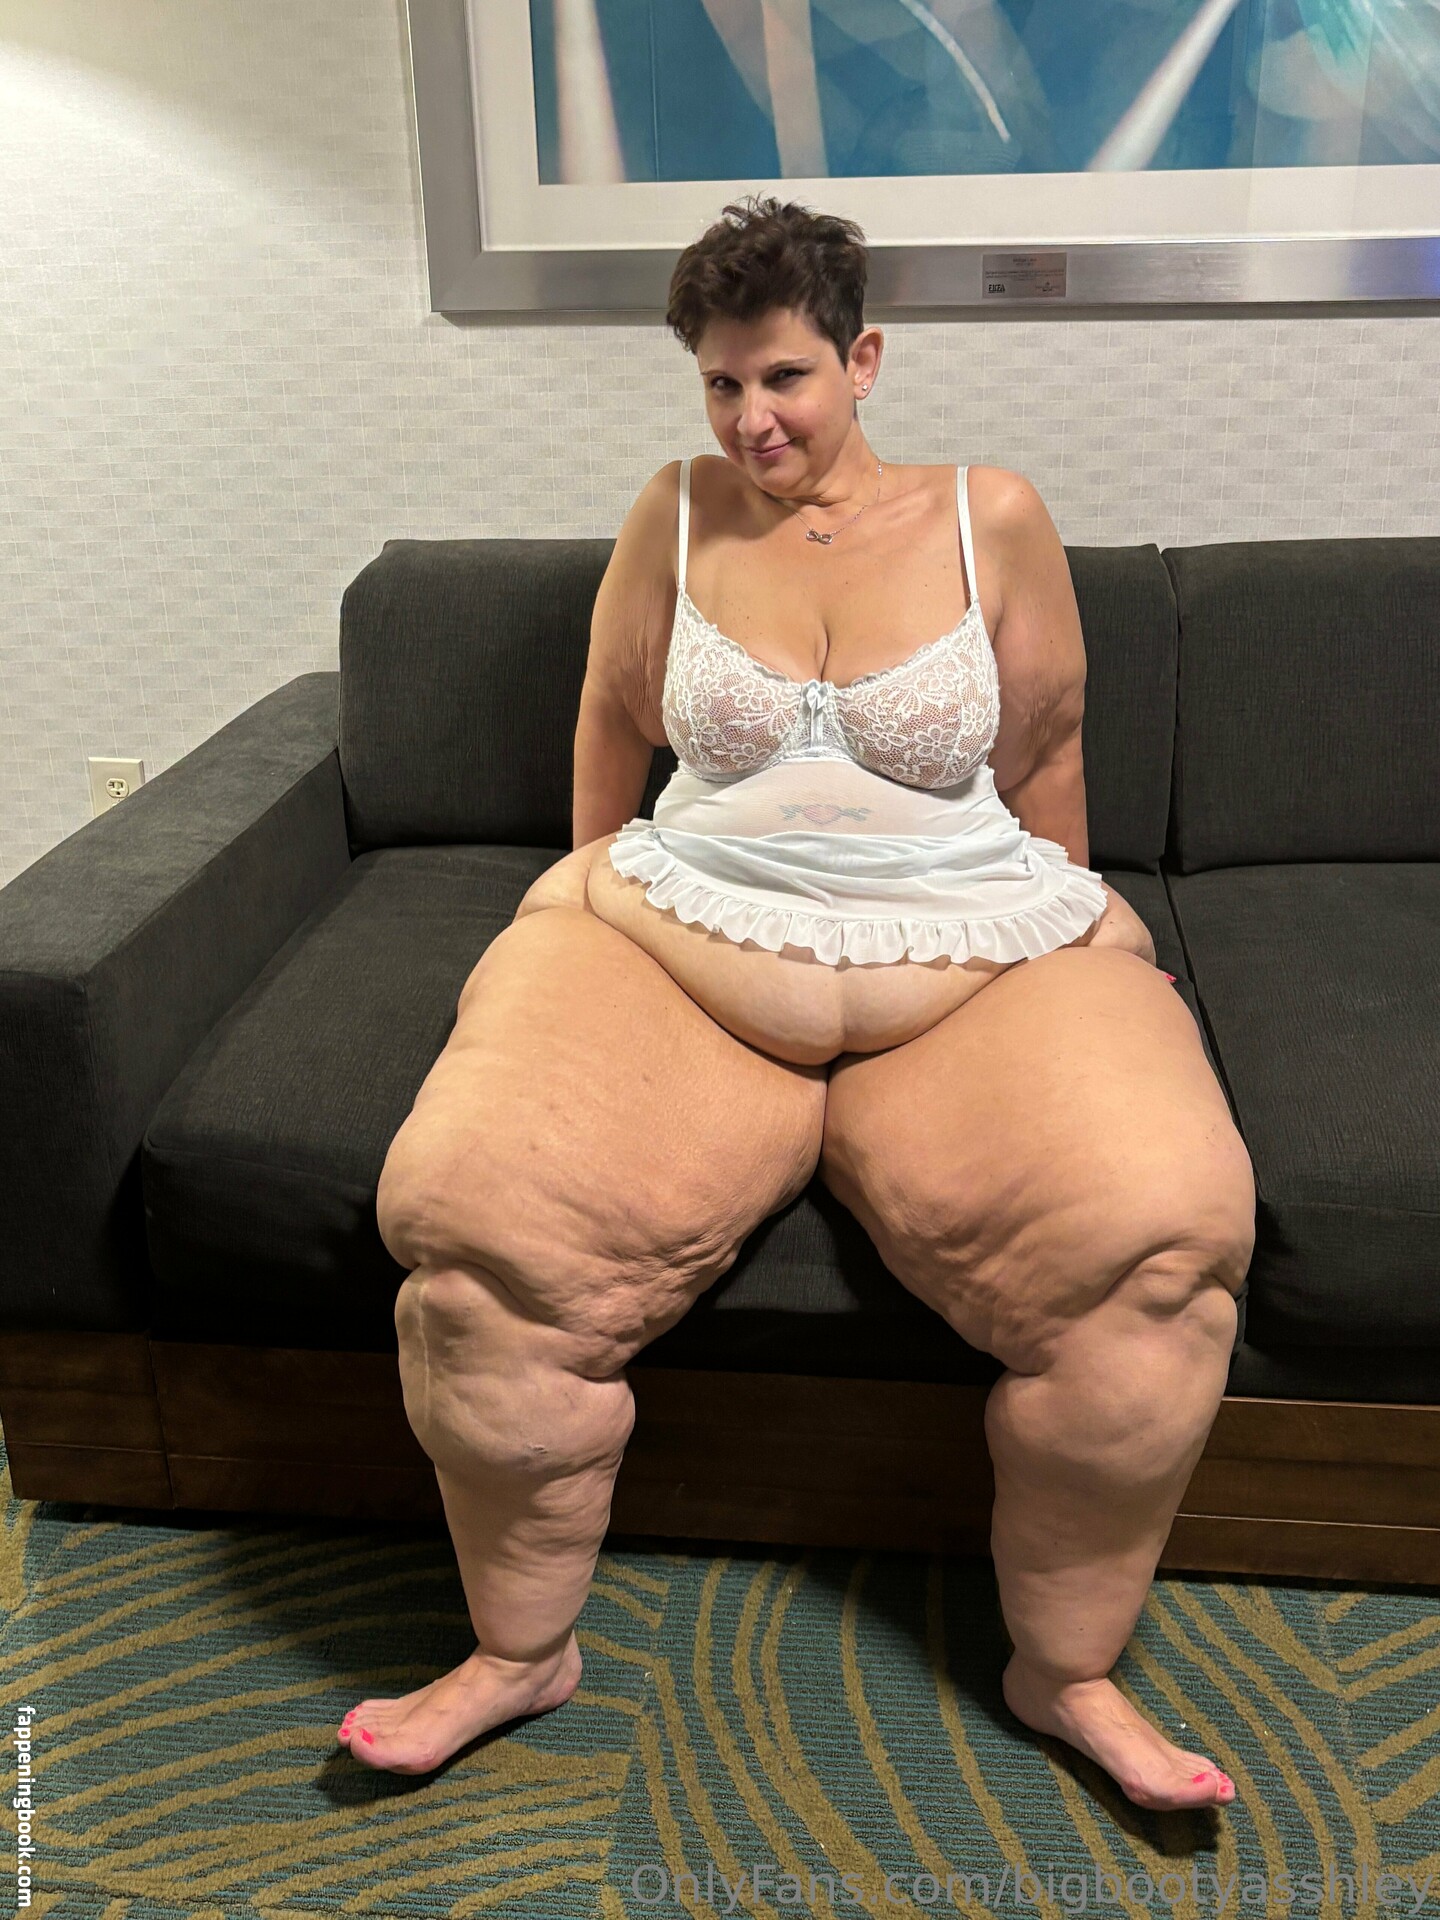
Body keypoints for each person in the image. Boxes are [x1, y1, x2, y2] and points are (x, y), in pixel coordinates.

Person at [339, 196, 1254, 1813]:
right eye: (719, 384)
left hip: (966, 952)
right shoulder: (676, 511)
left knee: (1164, 1260)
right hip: (691, 936)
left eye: (783, 378)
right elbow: (609, 722)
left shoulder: (991, 514)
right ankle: (517, 1650)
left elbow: (1046, 750)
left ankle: (1067, 1673)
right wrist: (578, 907)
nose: (750, 419)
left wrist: (1085, 950)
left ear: (863, 359)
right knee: (468, 1250)